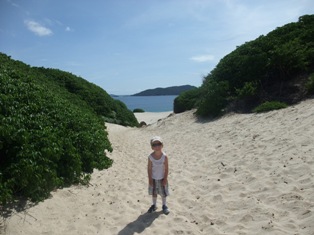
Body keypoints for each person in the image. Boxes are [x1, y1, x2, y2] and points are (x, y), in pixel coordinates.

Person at [147, 136, 170, 215]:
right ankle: (154, 205)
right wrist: (150, 179)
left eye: (159, 144)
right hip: (153, 178)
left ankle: (164, 205)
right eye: (154, 145)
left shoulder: (164, 156)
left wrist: (165, 179)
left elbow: (166, 169)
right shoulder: (150, 157)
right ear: (152, 147)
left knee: (163, 193)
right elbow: (149, 169)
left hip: (162, 178)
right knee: (154, 193)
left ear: (162, 145)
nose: (157, 146)